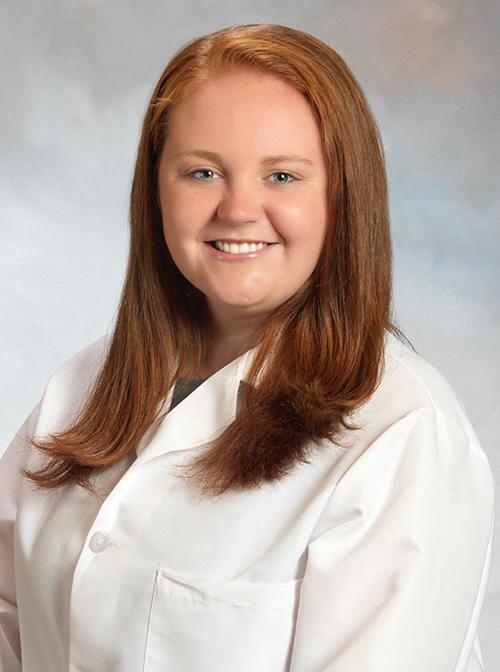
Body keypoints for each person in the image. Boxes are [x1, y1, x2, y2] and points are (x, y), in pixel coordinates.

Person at [0, 23, 495, 672]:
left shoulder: (403, 435)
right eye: (202, 172)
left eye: (282, 176)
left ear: (343, 198)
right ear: (155, 190)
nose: (237, 209)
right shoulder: (83, 387)